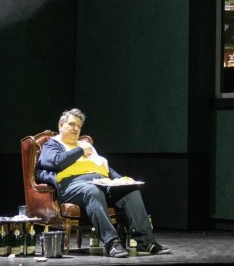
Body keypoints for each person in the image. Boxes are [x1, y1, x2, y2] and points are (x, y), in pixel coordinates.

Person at [35, 108, 170, 258]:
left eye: (79, 126)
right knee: (93, 191)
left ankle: (145, 242)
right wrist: (80, 150)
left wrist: (120, 180)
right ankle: (112, 242)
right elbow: (56, 162)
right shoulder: (52, 144)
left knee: (131, 191)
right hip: (72, 185)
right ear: (60, 125)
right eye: (72, 124)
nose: (76, 129)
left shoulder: (84, 145)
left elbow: (103, 166)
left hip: (101, 181)